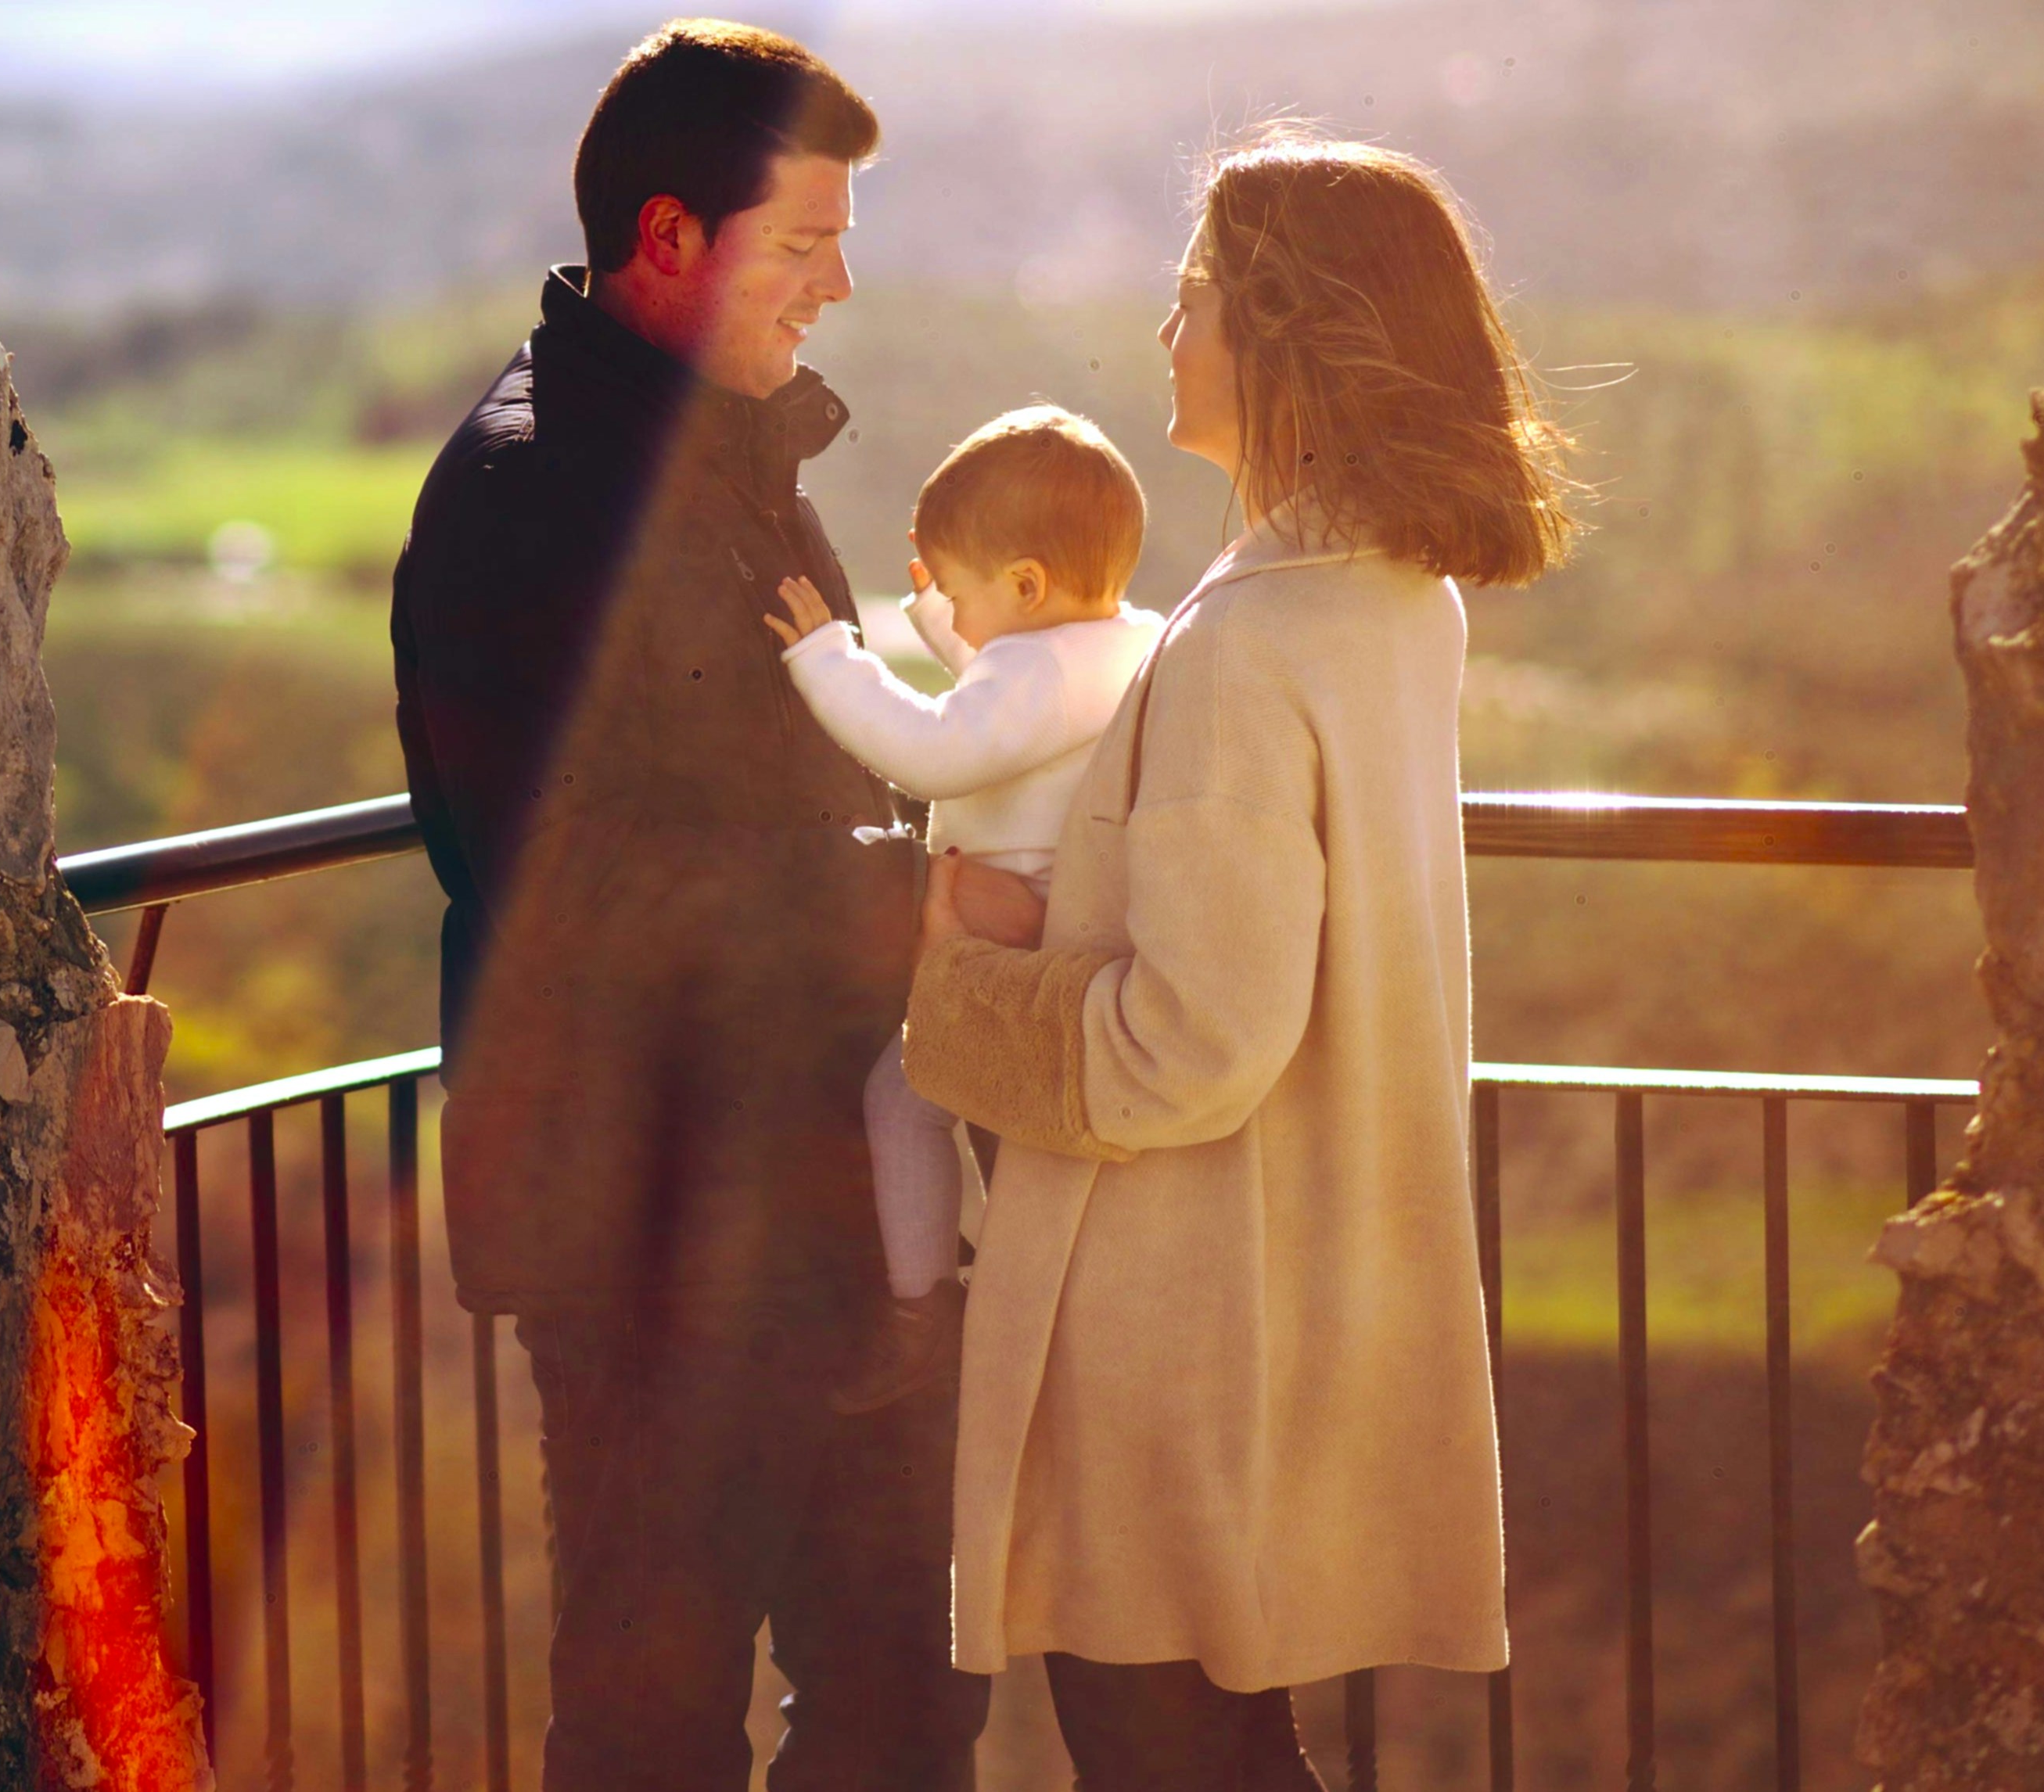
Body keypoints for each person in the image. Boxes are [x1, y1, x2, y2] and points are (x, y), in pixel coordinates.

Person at [900, 127, 1575, 1790]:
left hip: (1171, 1317)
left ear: (1279, 331)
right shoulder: (1394, 599)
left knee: (1167, 1749)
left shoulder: (1240, 648)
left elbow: (1183, 1043)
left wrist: (965, 978)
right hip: (1290, 1281)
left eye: (1191, 296)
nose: (1162, 334)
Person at [390, 20, 983, 1791]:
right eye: (802, 242)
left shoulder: (714, 461)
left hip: (799, 1205)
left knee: (897, 1697)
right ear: (666, 239)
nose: (839, 283)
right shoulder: (534, 497)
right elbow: (573, 875)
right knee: (656, 1726)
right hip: (648, 1226)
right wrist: (919, 909)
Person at [760, 406, 1164, 1413]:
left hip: (1004, 937)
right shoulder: (1119, 641)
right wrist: (956, 614)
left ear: (1027, 585)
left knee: (904, 1099)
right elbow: (1005, 688)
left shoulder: (1037, 667)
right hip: (1064, 934)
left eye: (965, 592)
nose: (951, 612)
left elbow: (937, 747)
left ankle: (920, 1310)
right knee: (953, 1113)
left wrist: (828, 659)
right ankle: (961, 1280)